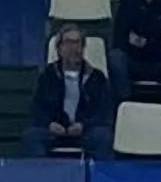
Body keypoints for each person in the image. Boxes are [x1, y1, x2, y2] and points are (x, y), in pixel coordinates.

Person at [25, 25, 113, 157]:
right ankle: (41, 176)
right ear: (59, 48)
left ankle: (100, 177)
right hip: (54, 130)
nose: (74, 48)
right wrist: (50, 124)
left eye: (78, 43)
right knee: (31, 137)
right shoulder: (47, 75)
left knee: (103, 137)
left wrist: (83, 125)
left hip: (85, 131)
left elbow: (103, 113)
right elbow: (37, 108)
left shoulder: (97, 78)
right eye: (69, 42)